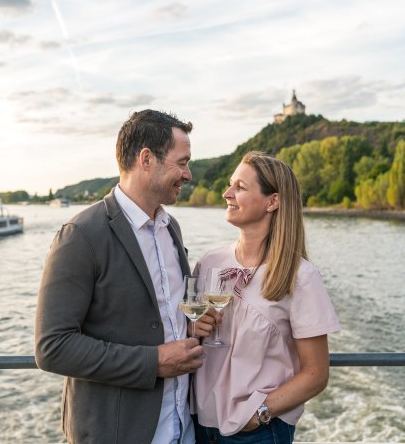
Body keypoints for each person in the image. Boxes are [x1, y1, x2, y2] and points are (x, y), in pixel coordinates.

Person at [35, 109, 204, 444]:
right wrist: (153, 362)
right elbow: (52, 347)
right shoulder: (81, 236)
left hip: (182, 430)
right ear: (146, 159)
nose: (188, 174)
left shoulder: (172, 229)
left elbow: (165, 313)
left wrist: (195, 324)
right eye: (182, 162)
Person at [192, 151, 341, 444]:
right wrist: (193, 328)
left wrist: (257, 414)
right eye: (230, 184)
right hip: (198, 426)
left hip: (257, 434)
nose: (227, 193)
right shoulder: (209, 263)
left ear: (272, 201)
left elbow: (316, 373)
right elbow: (191, 337)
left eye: (240, 187)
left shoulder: (300, 277)